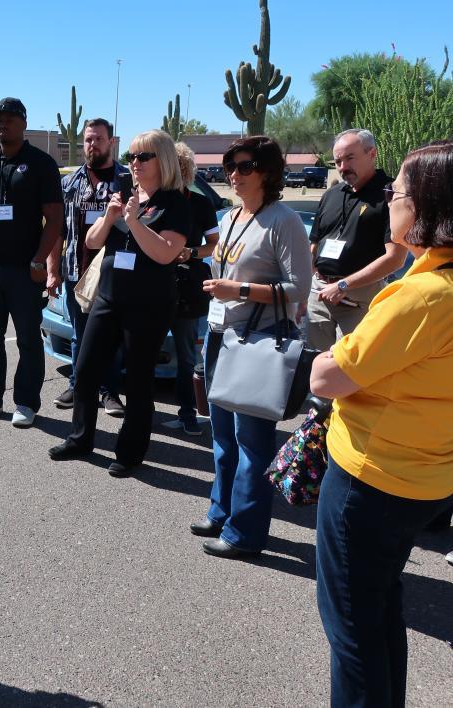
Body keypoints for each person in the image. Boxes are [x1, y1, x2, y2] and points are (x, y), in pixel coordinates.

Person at [310, 141, 453, 707]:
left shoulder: (419, 296)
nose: (390, 203)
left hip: (372, 480)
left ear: (424, 208)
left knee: (353, 633)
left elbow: (327, 379)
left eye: (397, 195)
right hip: (425, 476)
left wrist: (328, 356)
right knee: (380, 612)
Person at [187, 136, 311, 558]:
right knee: (221, 436)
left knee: (252, 444)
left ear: (267, 172)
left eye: (243, 167)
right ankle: (221, 511)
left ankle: (245, 532)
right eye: (229, 167)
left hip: (256, 343)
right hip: (221, 336)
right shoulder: (228, 217)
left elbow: (299, 288)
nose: (233, 175)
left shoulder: (284, 221)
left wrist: (237, 289)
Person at [48, 129, 189, 476]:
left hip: (148, 303)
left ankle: (129, 452)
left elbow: (166, 252)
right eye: (132, 157)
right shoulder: (124, 192)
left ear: (163, 160)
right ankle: (80, 438)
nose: (135, 164)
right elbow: (94, 241)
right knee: (85, 370)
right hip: (109, 296)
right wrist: (111, 217)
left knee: (138, 381)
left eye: (143, 157)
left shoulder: (175, 201)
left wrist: (132, 221)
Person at [0, 97, 62, 428]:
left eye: (8, 119)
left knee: (28, 339)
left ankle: (27, 403)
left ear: (23, 122)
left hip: (24, 270)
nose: (2, 124)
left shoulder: (41, 164)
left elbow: (55, 219)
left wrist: (39, 261)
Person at [53, 118, 130, 415]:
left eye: (98, 139)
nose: (92, 145)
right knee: (79, 334)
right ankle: (78, 384)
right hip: (76, 270)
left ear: (111, 142)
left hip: (114, 273)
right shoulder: (69, 182)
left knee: (110, 337)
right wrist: (52, 268)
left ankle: (109, 392)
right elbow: (59, 229)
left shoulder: (126, 180)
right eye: (87, 139)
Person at [307, 128, 407, 351]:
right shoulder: (331, 195)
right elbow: (314, 244)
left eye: (350, 158)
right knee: (314, 365)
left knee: (351, 370)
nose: (343, 167)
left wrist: (343, 285)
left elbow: (395, 258)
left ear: (372, 154)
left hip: (360, 297)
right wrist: (309, 287)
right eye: (337, 161)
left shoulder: (390, 195)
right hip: (319, 294)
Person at [170, 142, 220, 435]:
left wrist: (191, 252)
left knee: (186, 355)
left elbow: (213, 245)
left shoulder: (200, 203)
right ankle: (144, 412)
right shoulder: (148, 201)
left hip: (187, 288)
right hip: (151, 288)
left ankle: (187, 413)